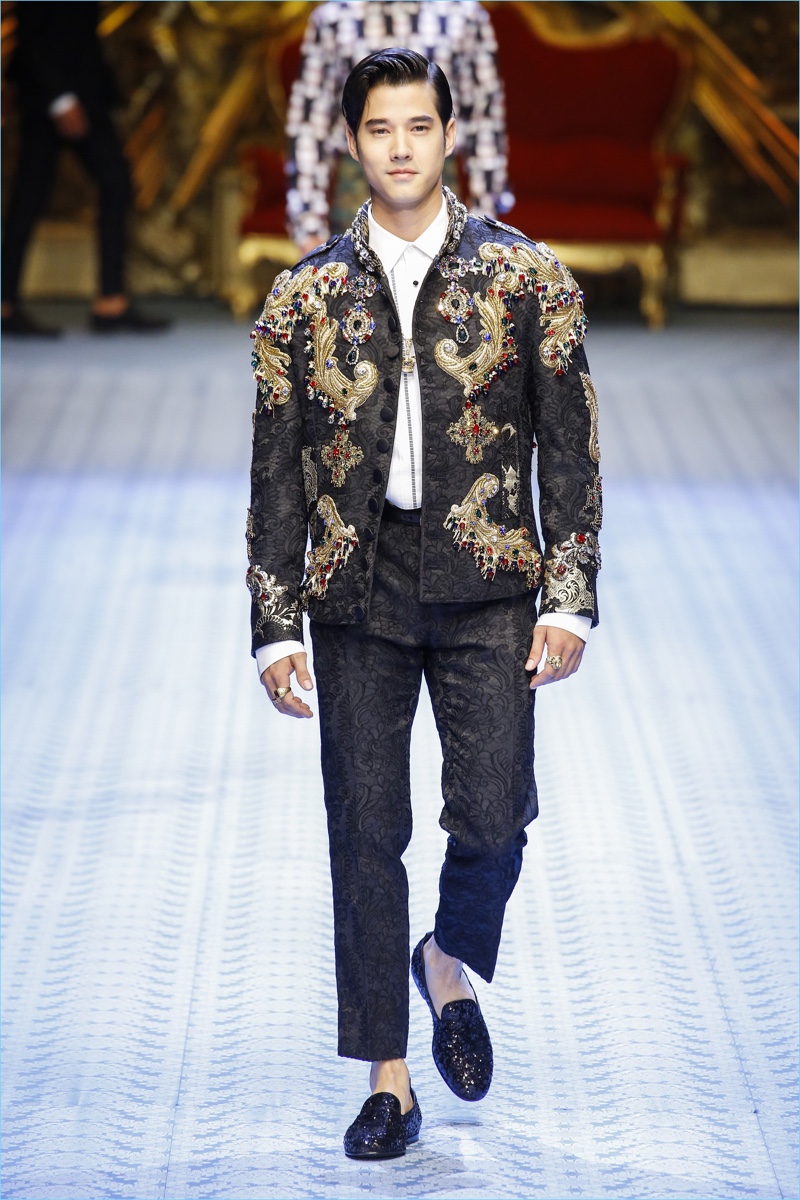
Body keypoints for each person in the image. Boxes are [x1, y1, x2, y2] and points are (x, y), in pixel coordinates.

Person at [247, 49, 601, 1159]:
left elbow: (570, 451)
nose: (399, 148)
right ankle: (389, 1082)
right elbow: (275, 473)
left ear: (450, 134)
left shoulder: (528, 280)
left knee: (494, 814)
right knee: (364, 829)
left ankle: (444, 958)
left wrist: (568, 597)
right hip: (357, 582)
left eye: (417, 126)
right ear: (350, 141)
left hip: (490, 576)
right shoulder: (303, 297)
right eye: (378, 129)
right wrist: (272, 623)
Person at [285, 1, 512, 255]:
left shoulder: (464, 16)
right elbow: (310, 125)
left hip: (436, 174)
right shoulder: (333, 19)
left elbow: (485, 124)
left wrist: (485, 224)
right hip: (359, 180)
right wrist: (308, 224)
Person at [1, 1, 168, 337]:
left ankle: (111, 300)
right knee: (29, 197)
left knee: (117, 183)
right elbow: (32, 35)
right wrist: (60, 99)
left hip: (87, 94)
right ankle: (4, 304)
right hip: (46, 96)